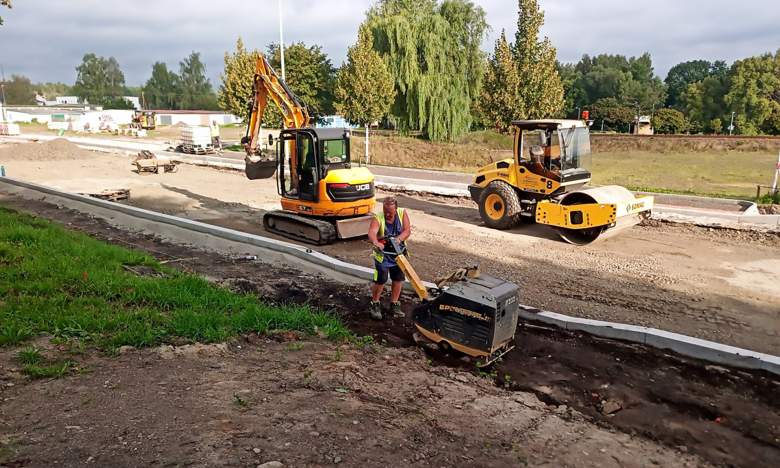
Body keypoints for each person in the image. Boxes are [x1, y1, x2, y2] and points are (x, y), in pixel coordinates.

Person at [367, 197, 411, 320]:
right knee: (380, 280)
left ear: (396, 209)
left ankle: (394, 304)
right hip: (383, 255)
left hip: (398, 253)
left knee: (398, 278)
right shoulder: (378, 217)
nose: (387, 214)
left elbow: (407, 231)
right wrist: (376, 242)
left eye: (390, 212)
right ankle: (375, 303)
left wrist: (398, 239)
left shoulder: (402, 213)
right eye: (385, 211)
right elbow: (372, 232)